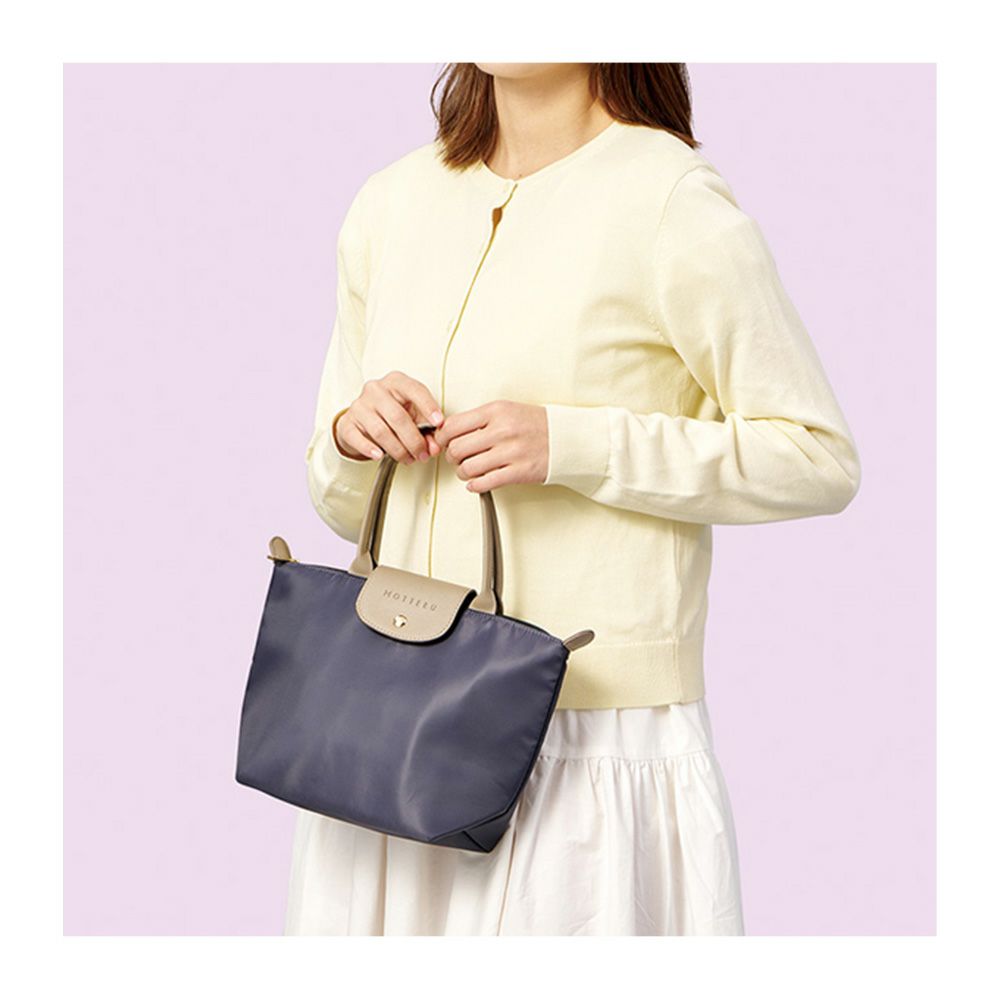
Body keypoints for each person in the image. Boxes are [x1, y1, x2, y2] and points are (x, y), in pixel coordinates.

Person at [283, 63, 861, 936]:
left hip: (581, 743)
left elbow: (816, 456)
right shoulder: (391, 202)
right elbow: (340, 504)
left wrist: (576, 446)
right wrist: (351, 439)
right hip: (381, 738)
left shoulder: (668, 199)